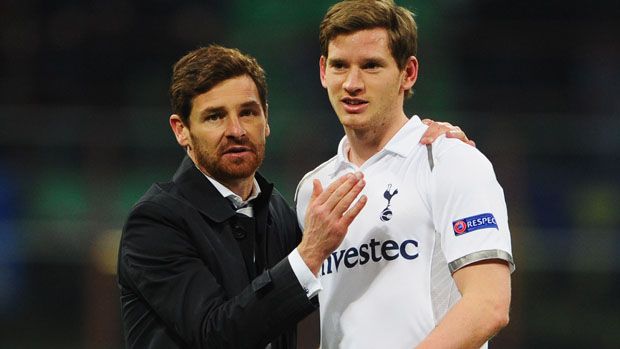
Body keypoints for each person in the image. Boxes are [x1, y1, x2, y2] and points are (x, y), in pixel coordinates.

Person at [117, 44, 469, 348]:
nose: (236, 130)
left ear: (266, 119)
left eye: (248, 112)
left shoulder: (278, 212)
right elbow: (216, 336)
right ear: (182, 130)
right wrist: (310, 252)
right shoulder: (155, 222)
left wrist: (423, 139)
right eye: (215, 117)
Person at [295, 1, 515, 348]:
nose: (352, 83)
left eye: (371, 66)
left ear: (408, 73)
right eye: (340, 66)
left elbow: (488, 305)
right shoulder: (312, 190)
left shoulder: (450, 161)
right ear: (323, 71)